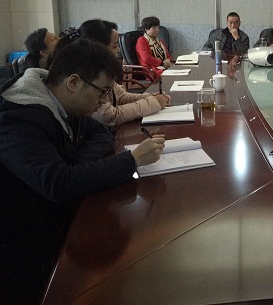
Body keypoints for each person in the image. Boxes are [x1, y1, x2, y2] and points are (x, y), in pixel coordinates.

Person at [0, 38, 165, 304]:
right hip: (24, 247)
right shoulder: (18, 119)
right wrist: (131, 161)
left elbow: (101, 133)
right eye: (101, 92)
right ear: (73, 82)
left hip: (56, 215)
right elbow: (58, 184)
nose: (103, 102)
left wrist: (75, 167)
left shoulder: (63, 102)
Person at [78, 19, 170, 126]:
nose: (118, 50)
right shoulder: (88, 76)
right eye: (115, 46)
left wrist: (151, 97)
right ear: (99, 47)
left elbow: (121, 97)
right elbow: (110, 116)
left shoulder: (103, 69)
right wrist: (153, 103)